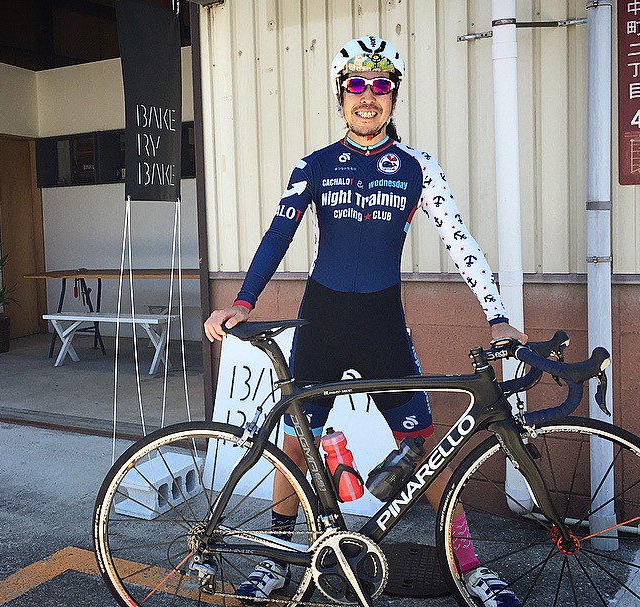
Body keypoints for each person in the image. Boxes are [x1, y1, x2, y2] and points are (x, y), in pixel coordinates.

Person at [203, 35, 528, 607]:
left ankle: (471, 569)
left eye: (381, 86)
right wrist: (243, 301)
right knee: (295, 445)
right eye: (357, 85)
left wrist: (498, 317)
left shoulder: (416, 167)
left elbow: (459, 240)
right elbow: (279, 234)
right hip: (322, 320)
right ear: (341, 95)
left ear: (393, 97)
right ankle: (279, 562)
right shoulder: (315, 165)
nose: (368, 97)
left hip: (383, 323)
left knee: (426, 445)